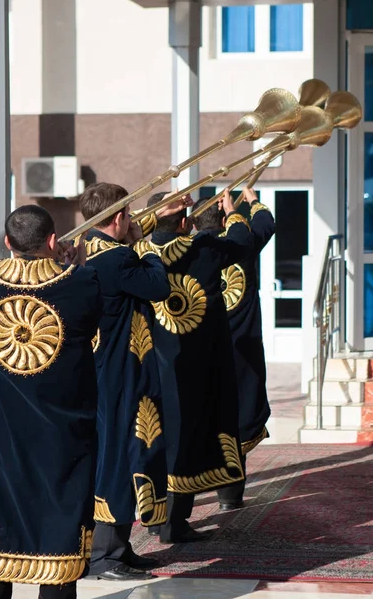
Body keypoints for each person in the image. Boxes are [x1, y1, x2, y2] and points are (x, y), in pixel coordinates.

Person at [0, 205, 102, 599]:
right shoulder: (84, 281)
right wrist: (74, 265)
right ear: (52, 241)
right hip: (62, 432)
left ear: (8, 242)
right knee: (59, 524)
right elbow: (90, 326)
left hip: (0, 432)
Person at [79, 183, 186, 582]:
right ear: (120, 218)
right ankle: (105, 556)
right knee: (123, 454)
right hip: (122, 370)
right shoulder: (119, 257)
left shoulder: (88, 250)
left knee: (120, 450)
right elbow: (159, 286)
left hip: (104, 366)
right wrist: (151, 244)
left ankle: (118, 549)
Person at [140, 188, 253, 544]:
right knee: (186, 440)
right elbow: (240, 242)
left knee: (156, 439)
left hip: (150, 365)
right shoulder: (202, 248)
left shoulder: (137, 253)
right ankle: (174, 523)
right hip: (194, 365)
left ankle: (157, 518)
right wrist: (233, 211)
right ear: (185, 222)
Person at [192, 190, 275, 510]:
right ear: (225, 219)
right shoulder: (242, 245)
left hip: (201, 351)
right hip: (241, 352)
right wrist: (250, 201)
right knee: (237, 423)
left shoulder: (187, 252)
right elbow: (266, 223)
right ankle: (230, 496)